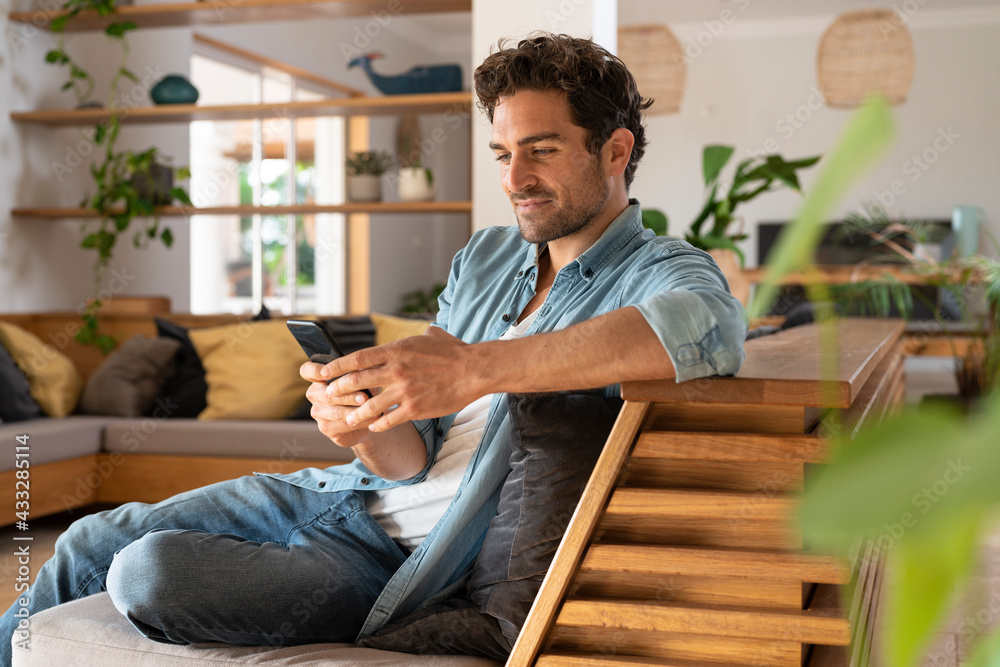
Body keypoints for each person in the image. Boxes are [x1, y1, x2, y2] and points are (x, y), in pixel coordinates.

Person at [0, 32, 746, 665]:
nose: (516, 179)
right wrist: (360, 425)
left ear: (616, 151)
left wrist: (474, 369)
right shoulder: (488, 257)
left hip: (398, 560)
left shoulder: (657, 269)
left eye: (542, 151)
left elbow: (706, 326)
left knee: (146, 572)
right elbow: (411, 460)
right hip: (339, 496)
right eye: (503, 153)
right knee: (90, 536)